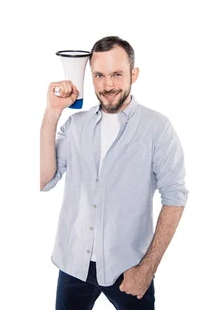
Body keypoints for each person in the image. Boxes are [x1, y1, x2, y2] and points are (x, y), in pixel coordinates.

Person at [40, 36, 188, 310]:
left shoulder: (157, 128)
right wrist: (52, 113)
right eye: (99, 75)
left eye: (117, 74)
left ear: (134, 74)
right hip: (74, 264)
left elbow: (175, 197)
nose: (108, 85)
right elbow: (45, 181)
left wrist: (147, 269)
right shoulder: (75, 125)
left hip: (129, 267)